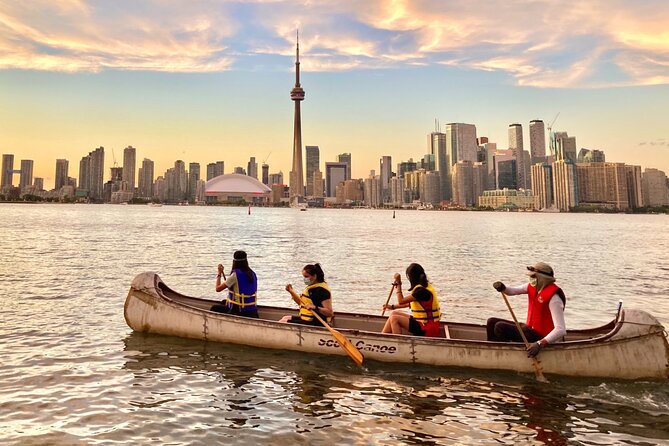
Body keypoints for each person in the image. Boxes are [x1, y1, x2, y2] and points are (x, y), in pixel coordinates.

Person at [487, 262, 566, 357]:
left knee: (500, 327)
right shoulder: (532, 287)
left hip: (541, 337)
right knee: (491, 322)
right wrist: (503, 288)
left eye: (533, 277)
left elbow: (561, 329)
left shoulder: (554, 299)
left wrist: (539, 344)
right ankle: (492, 352)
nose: (531, 279)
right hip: (530, 330)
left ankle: (505, 356)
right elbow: (512, 291)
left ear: (542, 278)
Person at [381, 263, 442, 337]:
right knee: (393, 314)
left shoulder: (421, 291)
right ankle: (382, 338)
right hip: (423, 323)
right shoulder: (425, 286)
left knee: (395, 319)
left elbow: (401, 301)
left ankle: (399, 344)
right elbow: (409, 304)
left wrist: (399, 284)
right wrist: (393, 307)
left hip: (427, 328)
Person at [210, 250, 259, 318]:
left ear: (234, 261)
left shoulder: (235, 275)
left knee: (214, 308)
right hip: (252, 310)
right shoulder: (252, 273)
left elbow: (218, 289)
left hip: (239, 311)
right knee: (223, 302)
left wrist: (219, 273)